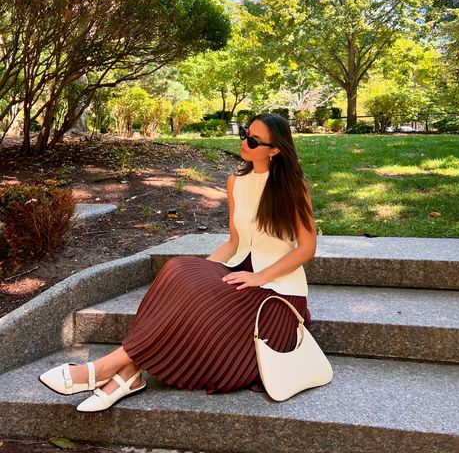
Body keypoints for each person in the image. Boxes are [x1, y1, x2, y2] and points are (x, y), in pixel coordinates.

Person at [39, 112, 317, 411]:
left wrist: (258, 278)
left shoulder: (292, 186)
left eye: (253, 140)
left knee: (192, 286)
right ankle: (125, 372)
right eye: (245, 134)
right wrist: (201, 274)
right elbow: (236, 241)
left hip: (277, 294)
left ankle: (109, 369)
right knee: (179, 269)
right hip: (241, 273)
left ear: (275, 149)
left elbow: (307, 248)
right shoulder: (237, 182)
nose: (244, 143)